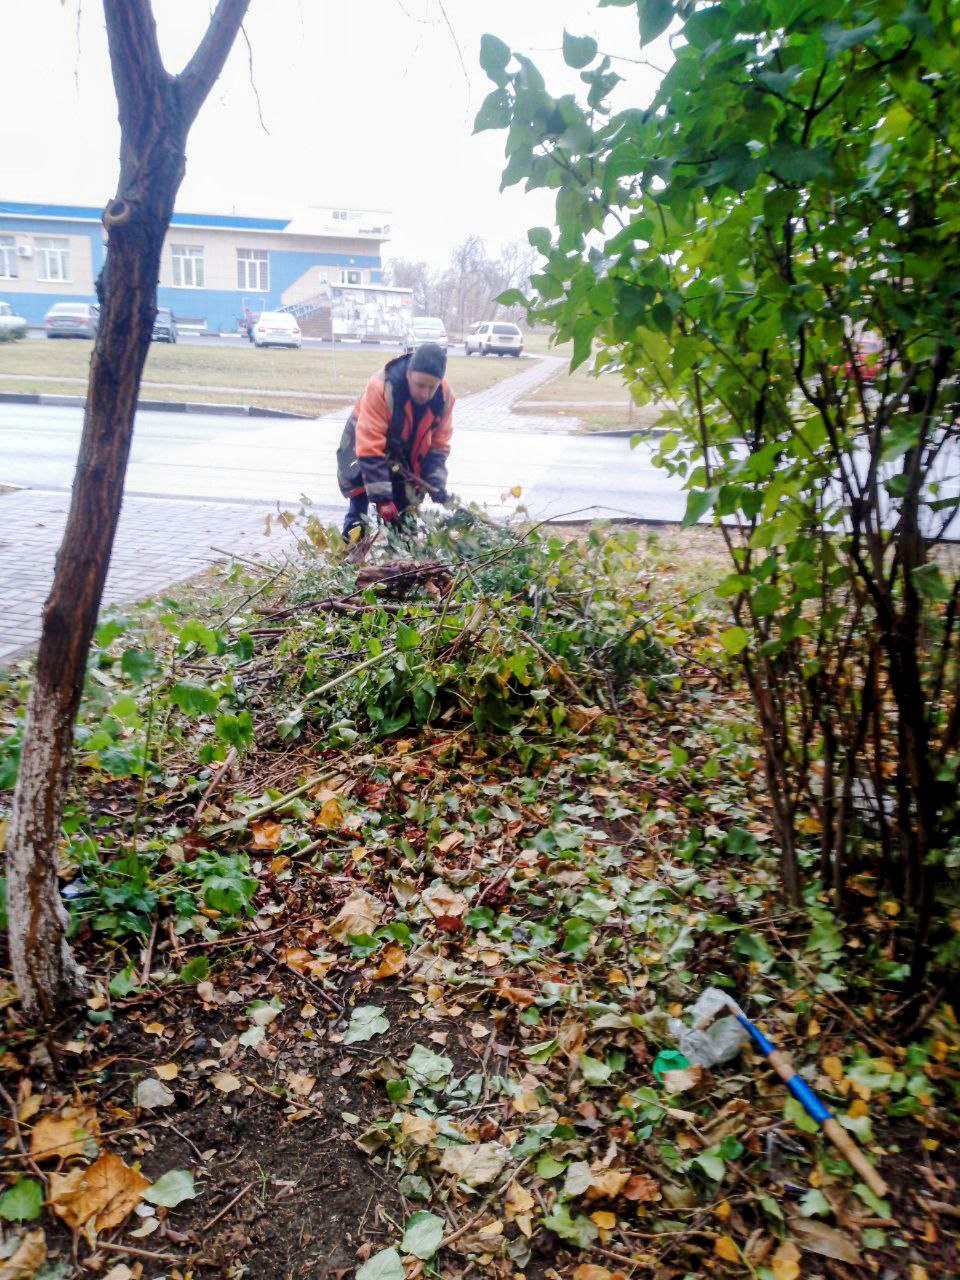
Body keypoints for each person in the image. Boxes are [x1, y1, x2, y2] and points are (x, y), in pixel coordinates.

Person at [336, 342, 454, 537]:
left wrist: (435, 482)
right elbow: (369, 447)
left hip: (400, 456)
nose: (425, 393)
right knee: (359, 513)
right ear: (408, 375)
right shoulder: (382, 387)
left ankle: (404, 562)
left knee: (402, 519)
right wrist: (383, 499)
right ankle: (350, 556)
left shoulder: (444, 398)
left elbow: (438, 447)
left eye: (431, 387)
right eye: (420, 385)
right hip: (361, 451)